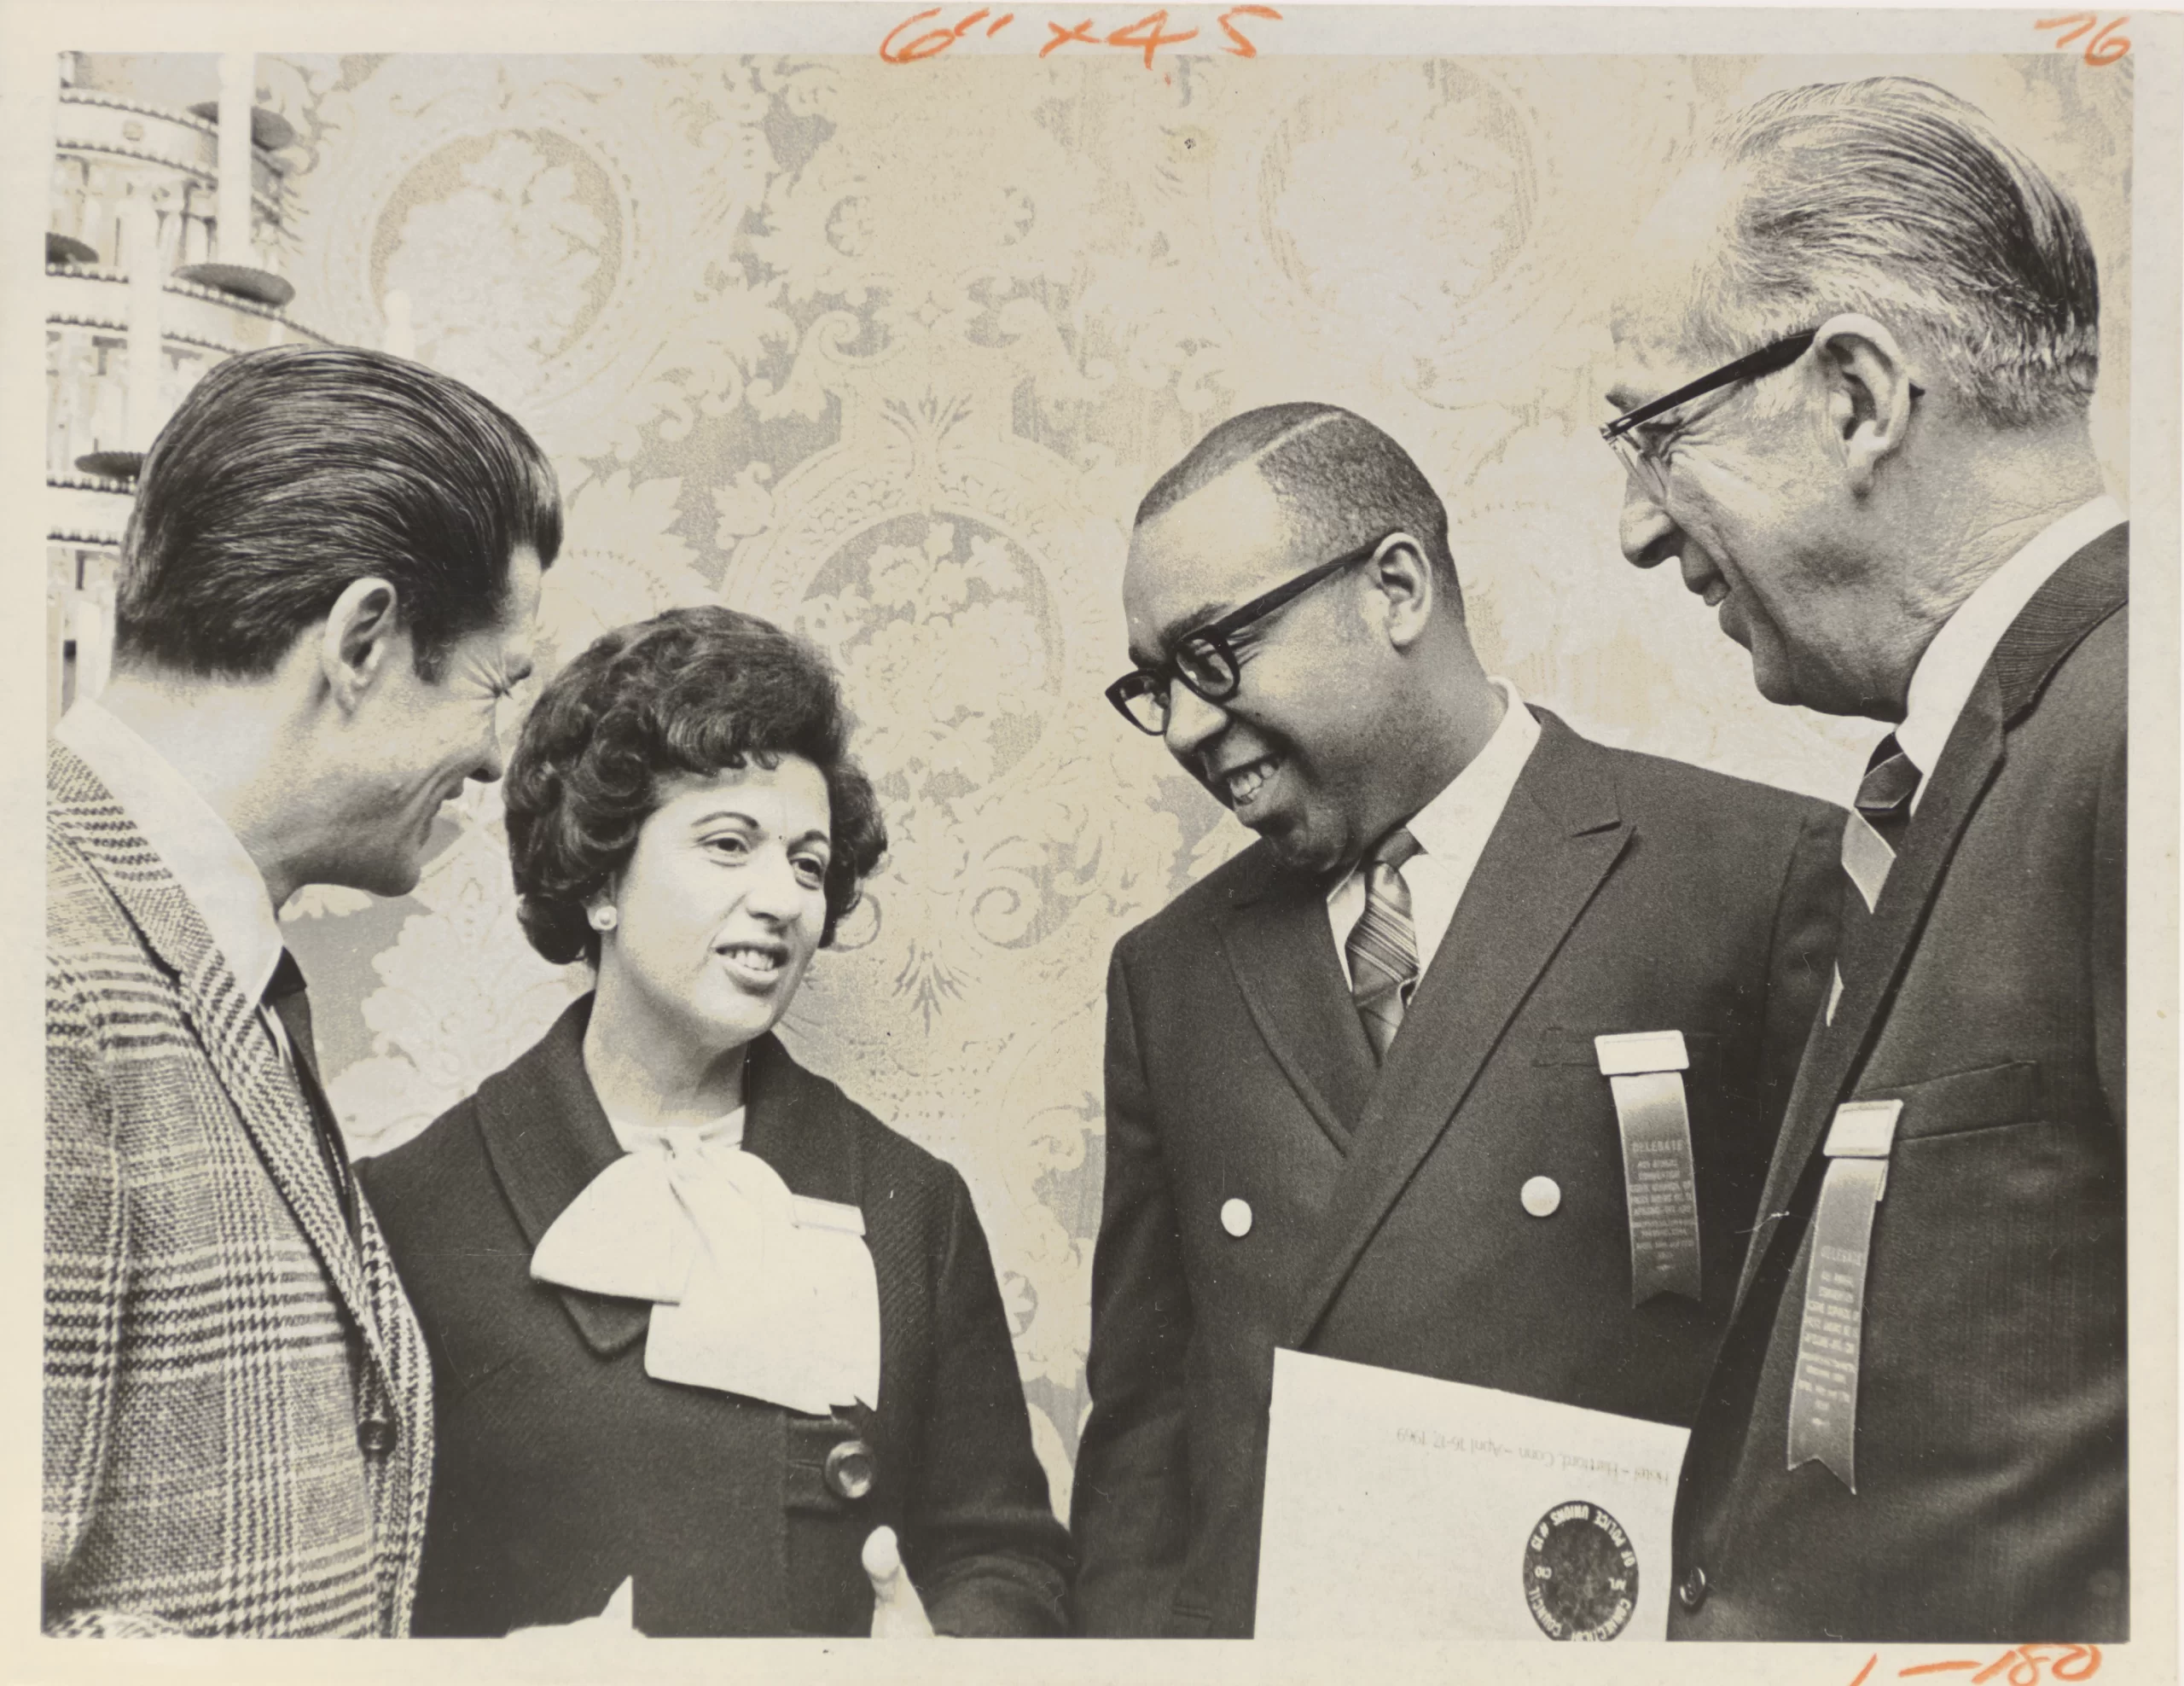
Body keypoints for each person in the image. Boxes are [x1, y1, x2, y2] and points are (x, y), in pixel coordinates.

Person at [1071, 402, 1844, 1637]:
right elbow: (1143, 1445)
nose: (1184, 728)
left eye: (1213, 656)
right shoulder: (1169, 976)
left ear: (1394, 587)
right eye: (1152, 684)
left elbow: (1825, 1396)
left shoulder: (1748, 880)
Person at [1606, 78, 2126, 1642]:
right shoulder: (1980, 764)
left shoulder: (2135, 736)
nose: (1636, 530)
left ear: (1854, 397)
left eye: (1654, 437)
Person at [357, 607, 1072, 1638]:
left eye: (809, 863)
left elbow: (1001, 1554)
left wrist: (943, 1653)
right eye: (729, 843)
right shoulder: (412, 1207)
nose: (781, 897)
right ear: (600, 875)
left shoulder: (909, 1204)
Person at [45, 346, 561, 1635]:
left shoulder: (194, 946)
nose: (501, 759)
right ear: (363, 640)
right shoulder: (47, 975)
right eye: (499, 687)